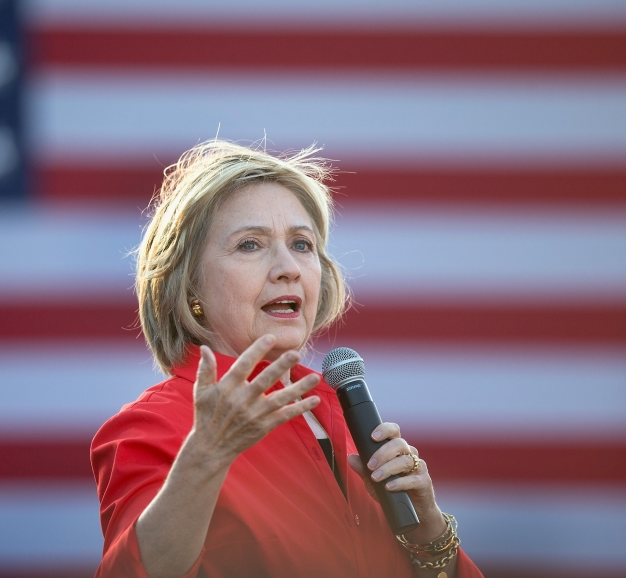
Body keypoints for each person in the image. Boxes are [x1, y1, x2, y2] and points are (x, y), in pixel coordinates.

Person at [92, 141, 483, 578]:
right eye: (250, 245)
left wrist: (429, 535)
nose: (288, 268)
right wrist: (206, 458)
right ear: (189, 288)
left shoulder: (339, 410)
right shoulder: (154, 427)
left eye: (302, 244)